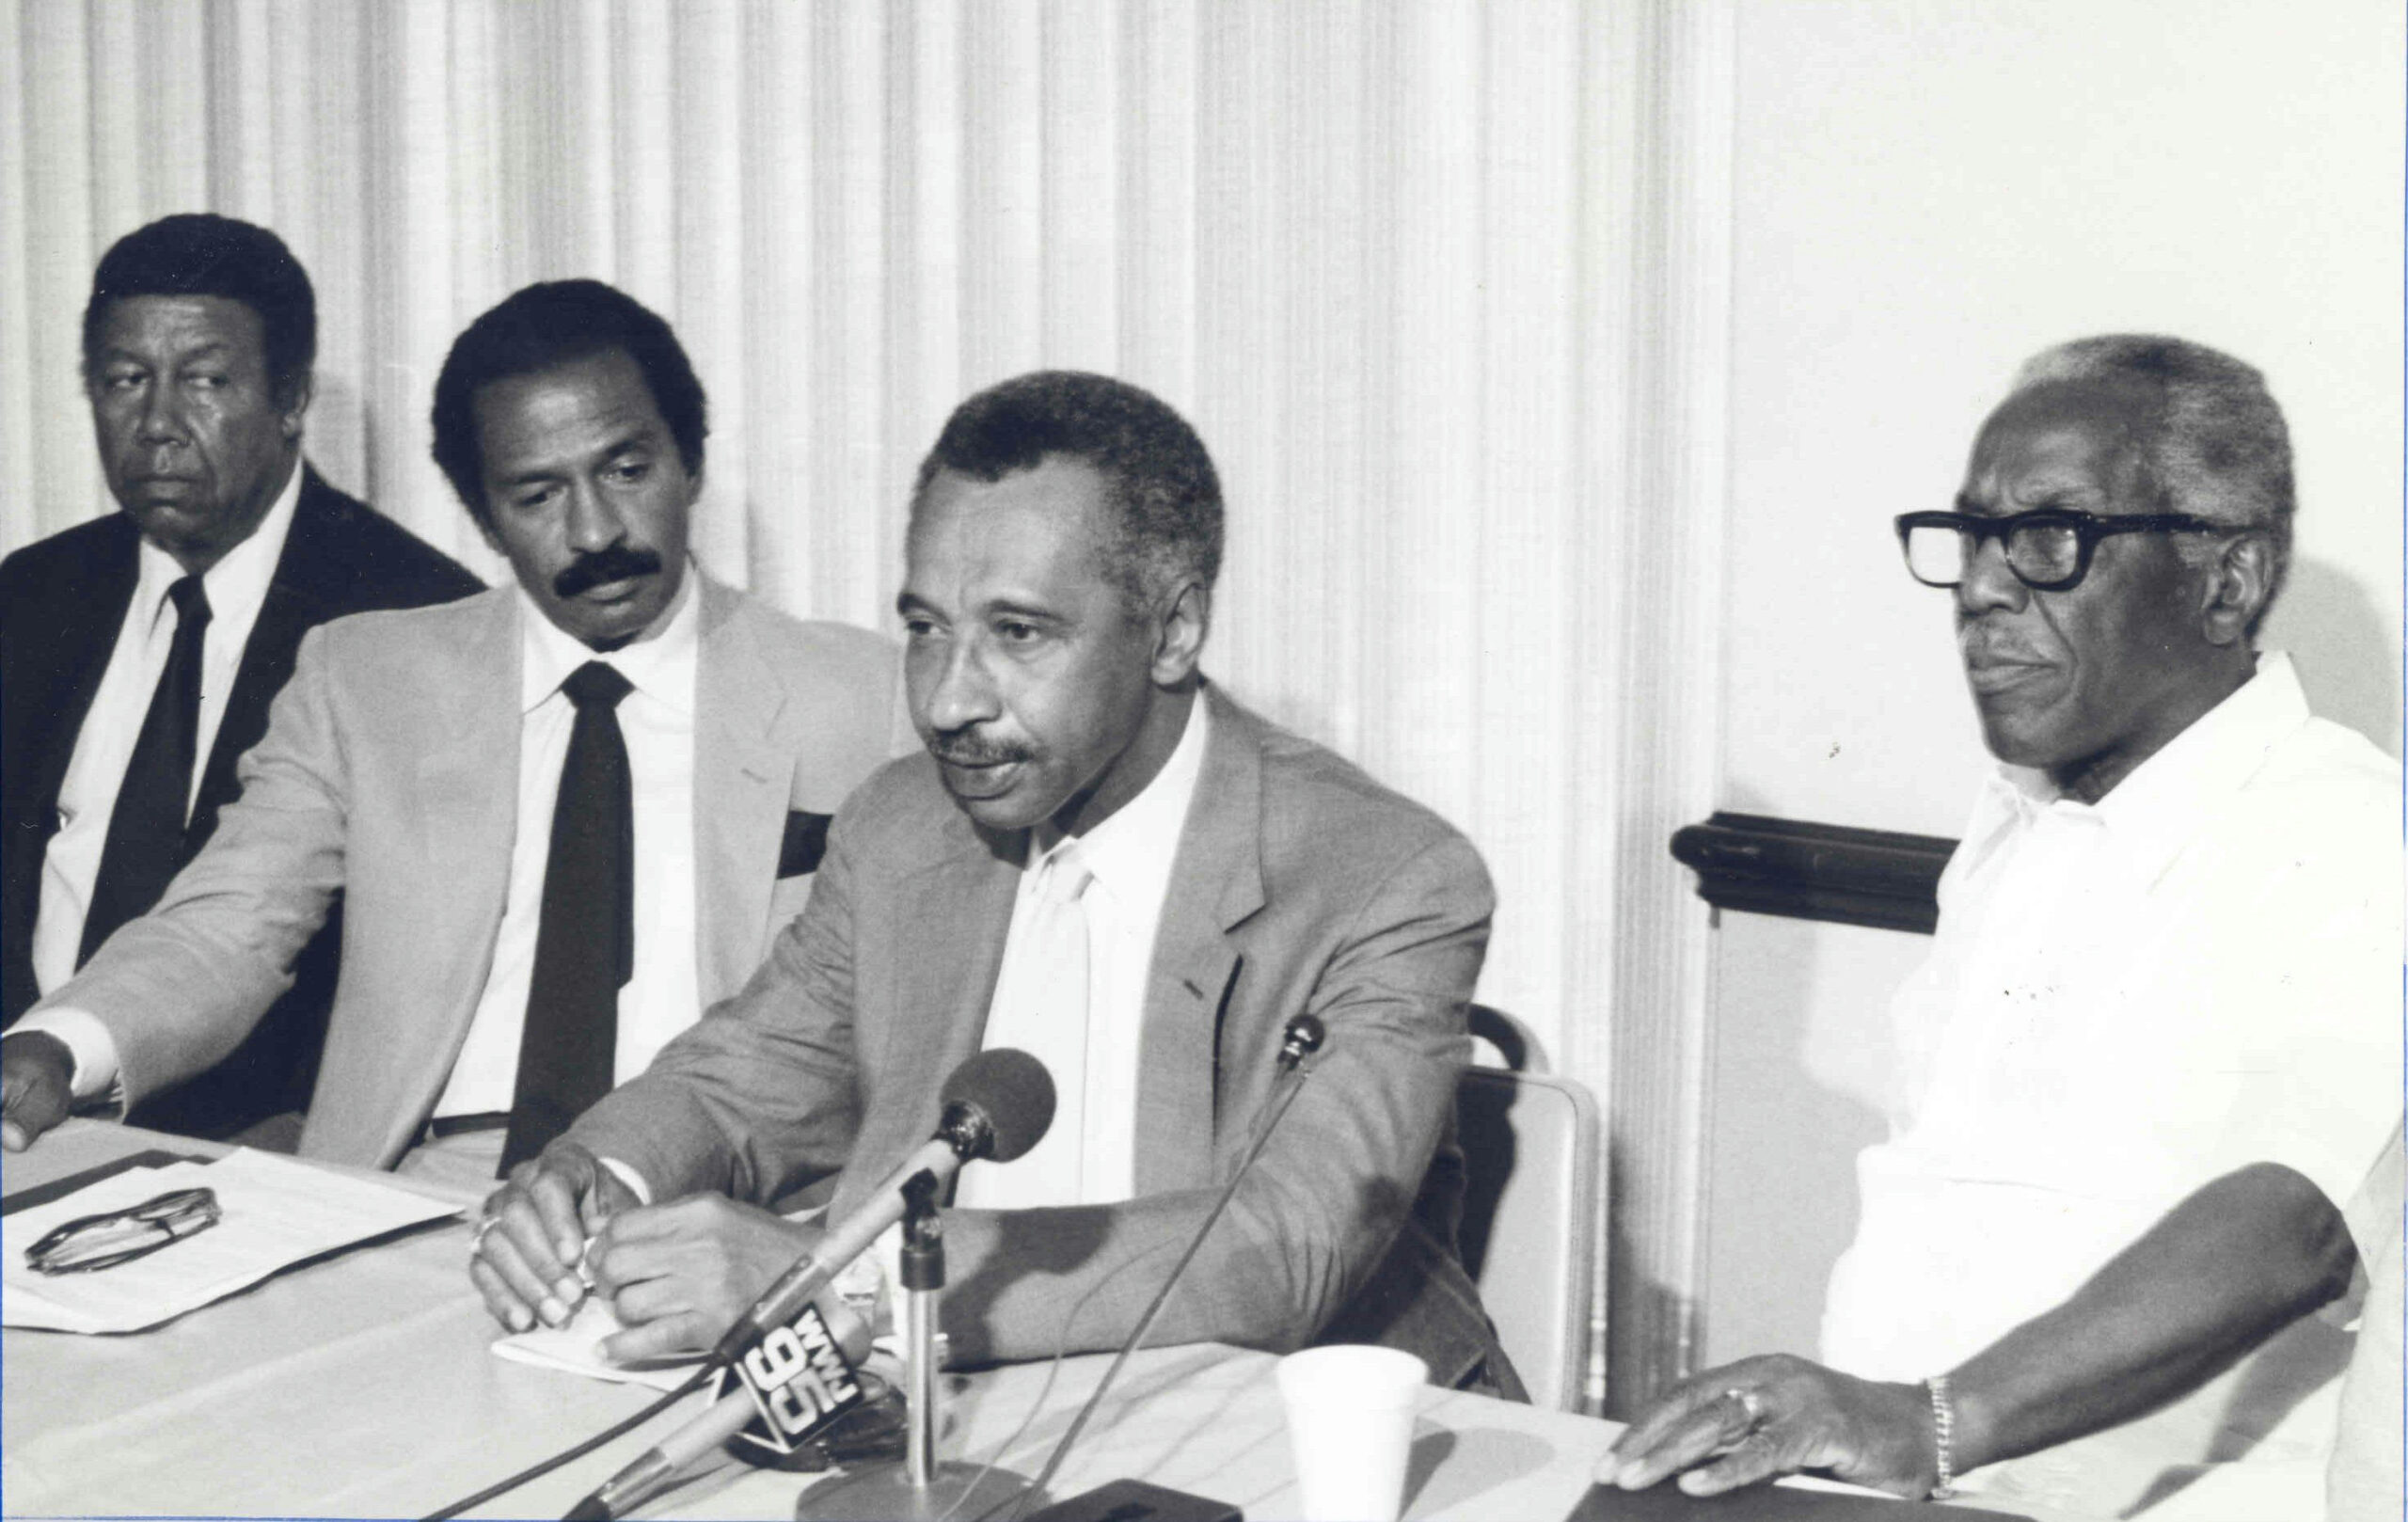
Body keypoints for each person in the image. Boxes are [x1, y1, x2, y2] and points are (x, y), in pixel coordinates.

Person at [471, 371, 1520, 1394]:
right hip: (956, 1421)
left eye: (1017, 633)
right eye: (926, 628)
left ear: (1174, 631)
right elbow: (745, 1073)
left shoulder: (1387, 878)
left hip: (1284, 1427)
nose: (946, 700)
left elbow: (1286, 1247)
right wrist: (599, 1172)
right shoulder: (899, 823)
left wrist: (847, 1283)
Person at [1602, 336, 2400, 1516]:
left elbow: (2297, 1222)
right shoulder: (2014, 831)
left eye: (2049, 537)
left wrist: (1923, 1422)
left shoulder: (2354, 829)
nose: (1981, 587)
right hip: (1915, 1489)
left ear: (2224, 581)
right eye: (1971, 535)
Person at [0, 280, 903, 1198]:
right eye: (537, 494)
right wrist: (60, 1042)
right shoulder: (366, 679)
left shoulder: (867, 699)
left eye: (627, 470)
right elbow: (228, 925)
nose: (594, 530)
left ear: (691, 464)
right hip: (427, 1187)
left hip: (715, 1194)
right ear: (484, 520)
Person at [0, 213, 482, 1142]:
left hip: (264, 1157)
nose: (158, 425)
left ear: (293, 396)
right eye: (124, 380)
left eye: (206, 381)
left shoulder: (416, 619)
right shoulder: (29, 597)